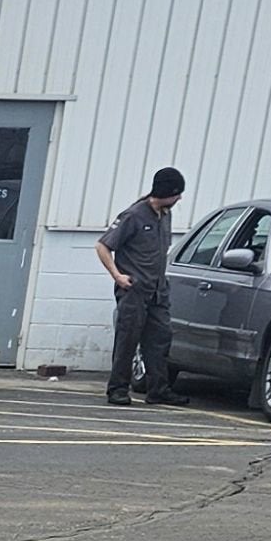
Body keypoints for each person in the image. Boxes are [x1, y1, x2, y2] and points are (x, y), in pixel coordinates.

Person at [97, 167, 186, 405]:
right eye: (177, 193)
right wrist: (117, 276)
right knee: (128, 339)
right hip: (134, 289)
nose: (179, 199)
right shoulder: (134, 215)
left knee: (160, 338)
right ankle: (117, 389)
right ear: (166, 192)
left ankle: (158, 389)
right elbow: (103, 246)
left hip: (158, 290)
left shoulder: (165, 216)